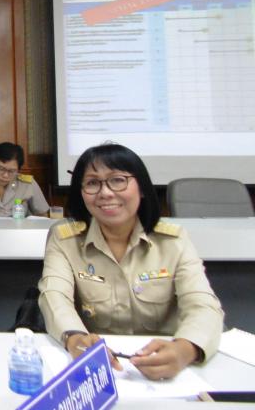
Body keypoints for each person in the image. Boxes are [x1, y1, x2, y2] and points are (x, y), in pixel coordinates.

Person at [38, 143, 224, 380]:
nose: (105, 193)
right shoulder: (65, 239)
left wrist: (184, 350)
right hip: (98, 367)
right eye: (92, 183)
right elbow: (55, 297)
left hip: (167, 367)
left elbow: (203, 305)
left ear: (142, 188)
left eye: (118, 180)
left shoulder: (173, 241)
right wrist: (76, 340)